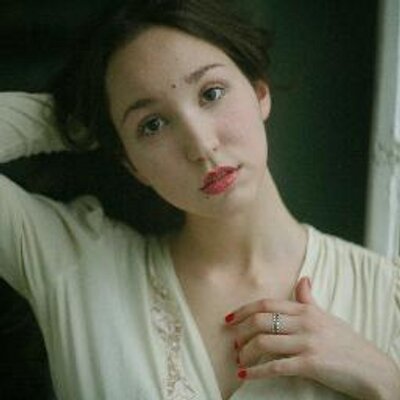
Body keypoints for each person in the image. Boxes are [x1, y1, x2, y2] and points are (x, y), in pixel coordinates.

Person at [0, 0, 399, 399]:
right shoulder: (74, 267)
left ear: (259, 92)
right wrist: (78, 121)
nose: (200, 145)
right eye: (152, 125)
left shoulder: (387, 297)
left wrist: (385, 378)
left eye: (211, 93)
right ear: (132, 163)